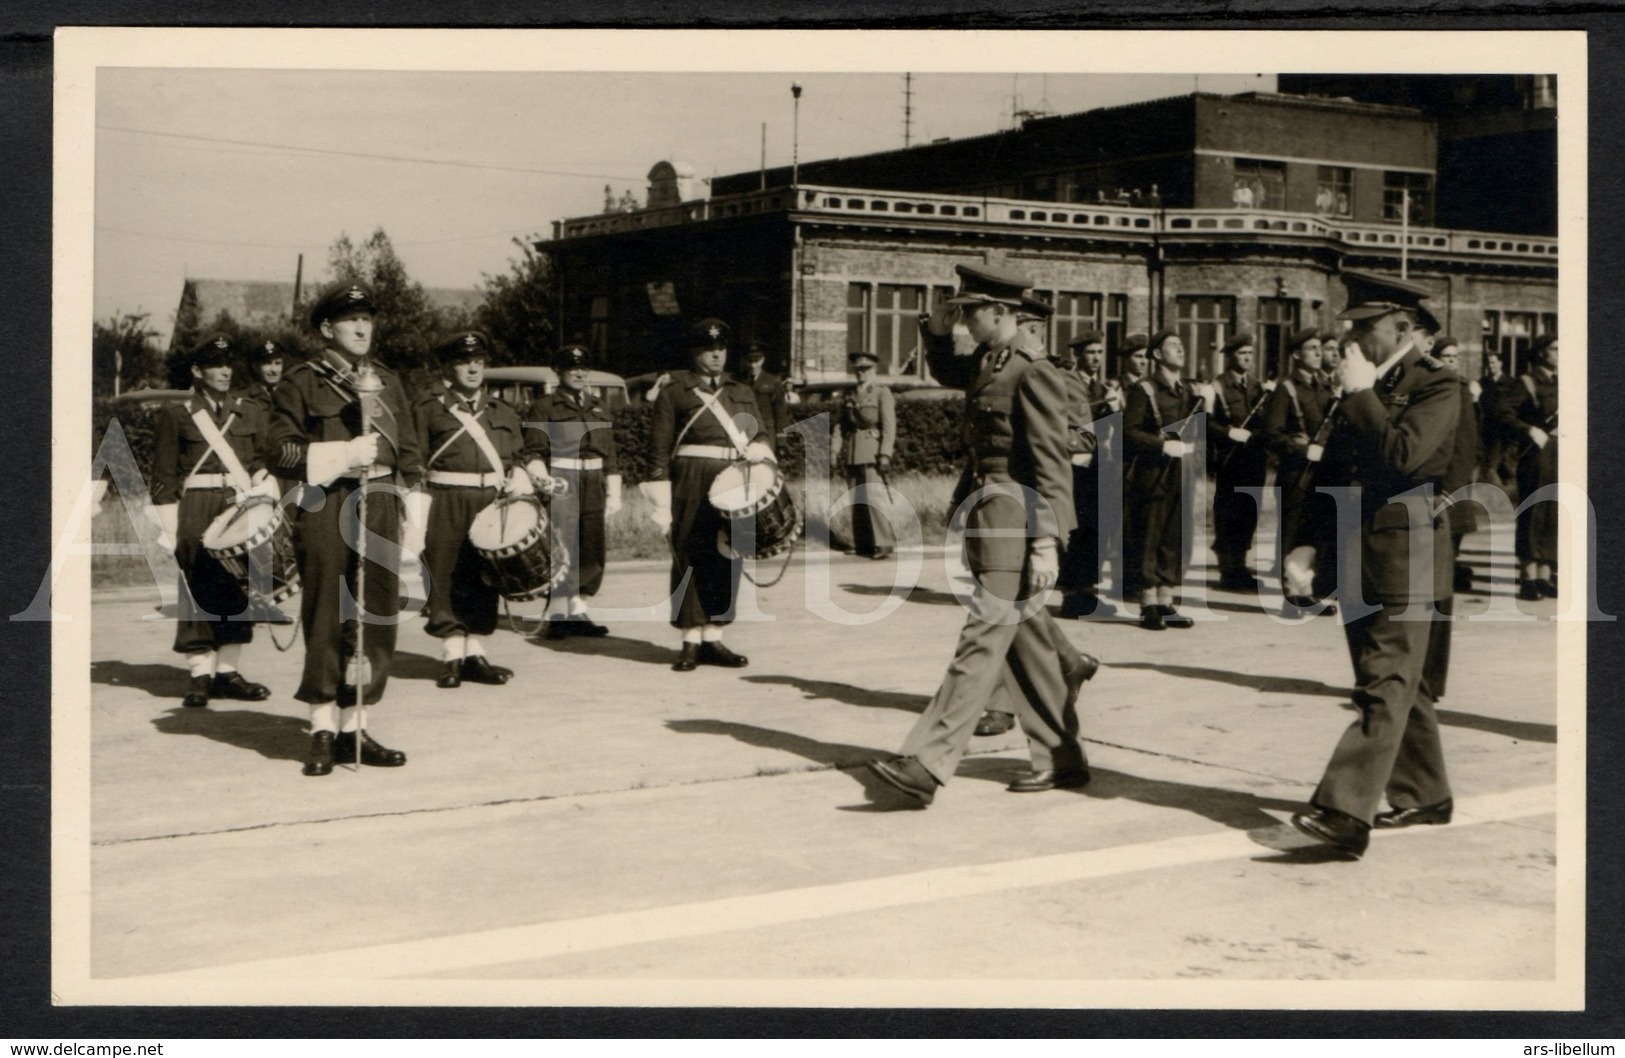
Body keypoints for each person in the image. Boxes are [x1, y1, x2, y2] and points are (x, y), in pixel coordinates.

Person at [867, 264, 1092, 805]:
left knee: (982, 640)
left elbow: (1051, 462)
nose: (965, 320)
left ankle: (927, 761)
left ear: (1002, 312)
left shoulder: (1033, 369)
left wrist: (1045, 540)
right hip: (989, 511)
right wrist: (937, 332)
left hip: (1015, 516)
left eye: (971, 312)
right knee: (1028, 643)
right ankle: (1062, 749)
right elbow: (950, 370)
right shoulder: (993, 360)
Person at [1290, 270, 1461, 859]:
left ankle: (1343, 810)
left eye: (1367, 330)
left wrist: (1361, 394)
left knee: (1383, 681)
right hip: (1356, 551)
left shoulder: (1439, 386)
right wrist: (1306, 542)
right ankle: (1424, 792)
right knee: (1392, 680)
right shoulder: (1360, 384)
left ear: (1403, 328)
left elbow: (1405, 459)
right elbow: (1330, 472)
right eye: (1352, 330)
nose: (1353, 342)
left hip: (1406, 555)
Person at [264, 281, 423, 777]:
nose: (361, 328)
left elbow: (411, 454)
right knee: (327, 612)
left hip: (380, 504)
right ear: (326, 328)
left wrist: (415, 519)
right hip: (326, 504)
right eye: (350, 320)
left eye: (368, 319)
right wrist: (341, 455)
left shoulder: (389, 382)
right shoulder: (302, 381)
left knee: (376, 612)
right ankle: (321, 728)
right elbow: (279, 451)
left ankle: (357, 723)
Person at [151, 333, 279, 709]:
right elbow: (163, 474)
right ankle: (199, 673)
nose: (225, 371)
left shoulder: (248, 409)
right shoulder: (177, 413)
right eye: (215, 366)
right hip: (196, 504)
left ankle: (228, 671)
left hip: (239, 503)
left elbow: (258, 459)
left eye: (228, 365)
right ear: (197, 370)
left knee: (241, 585)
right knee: (197, 586)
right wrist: (168, 525)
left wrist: (262, 480)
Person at [642, 318, 771, 672]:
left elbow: (760, 435)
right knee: (688, 553)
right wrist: (661, 500)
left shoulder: (741, 391)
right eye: (708, 349)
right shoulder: (675, 392)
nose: (716, 355)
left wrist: (761, 450)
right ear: (695, 352)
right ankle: (690, 640)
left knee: (728, 555)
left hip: (734, 481)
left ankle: (714, 637)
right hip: (691, 480)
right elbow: (657, 451)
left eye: (721, 348)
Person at [411, 331, 526, 688]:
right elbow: (411, 457)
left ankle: (475, 653)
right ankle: (451, 655)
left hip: (489, 501)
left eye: (478, 361)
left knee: (484, 575)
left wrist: (521, 473)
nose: (473, 368)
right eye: (464, 361)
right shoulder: (429, 408)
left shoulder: (502, 410)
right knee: (443, 572)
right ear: (449, 366)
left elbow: (518, 455)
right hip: (446, 497)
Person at [523, 344, 623, 636]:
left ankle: (578, 611)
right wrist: (544, 480)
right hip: (562, 480)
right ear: (559, 372)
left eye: (583, 368)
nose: (579, 373)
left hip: (594, 482)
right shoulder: (545, 406)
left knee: (590, 544)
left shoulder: (598, 405)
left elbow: (610, 452)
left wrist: (614, 490)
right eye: (572, 368)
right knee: (560, 544)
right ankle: (556, 612)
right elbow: (533, 451)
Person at [1122, 330, 1211, 630]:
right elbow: (1129, 432)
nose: (1181, 349)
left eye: (1182, 345)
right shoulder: (1144, 389)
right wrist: (1161, 445)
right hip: (1152, 472)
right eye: (1173, 346)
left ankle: (1166, 599)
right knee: (1149, 535)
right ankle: (1148, 604)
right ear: (1157, 354)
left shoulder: (1185, 391)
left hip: (1179, 472)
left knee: (1174, 535)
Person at [1261, 327, 1337, 617]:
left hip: (1321, 474)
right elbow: (1272, 434)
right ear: (1295, 355)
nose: (1319, 353)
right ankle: (1289, 595)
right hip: (1296, 475)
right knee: (1291, 534)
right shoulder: (1286, 389)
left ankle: (1306, 591)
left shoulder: (1324, 388)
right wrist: (1302, 450)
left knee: (1314, 534)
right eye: (1312, 348)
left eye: (1320, 348)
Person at [1057, 329, 1120, 619]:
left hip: (1097, 466)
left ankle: (1088, 592)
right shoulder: (1066, 384)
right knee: (1075, 529)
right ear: (1078, 355)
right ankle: (1072, 594)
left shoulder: (1104, 389)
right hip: (1072, 466)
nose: (1095, 358)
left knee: (1096, 528)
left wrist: (1114, 407)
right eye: (1090, 352)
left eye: (1099, 352)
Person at [1497, 333, 1559, 599]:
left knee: (1554, 513)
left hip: (1559, 451)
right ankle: (1528, 578)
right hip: (1536, 454)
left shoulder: (1563, 381)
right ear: (1541, 353)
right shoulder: (1527, 382)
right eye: (1555, 349)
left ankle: (1545, 575)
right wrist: (1528, 430)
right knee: (1533, 513)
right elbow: (1501, 411)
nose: (1560, 354)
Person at [1208, 333, 1270, 592]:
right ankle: (1227, 570)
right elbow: (1205, 422)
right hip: (1229, 461)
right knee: (1227, 514)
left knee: (1248, 513)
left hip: (1253, 460)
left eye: (1249, 353)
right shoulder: (1216, 387)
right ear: (1230, 356)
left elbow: (1266, 422)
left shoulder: (1257, 387)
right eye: (1242, 353)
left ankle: (1241, 568)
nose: (1247, 358)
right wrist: (1227, 433)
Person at [832, 350, 897, 560]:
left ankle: (883, 542)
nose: (861, 373)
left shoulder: (881, 393)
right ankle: (864, 543)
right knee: (857, 498)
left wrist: (885, 454)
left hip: (872, 451)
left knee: (874, 498)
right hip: (852, 450)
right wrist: (834, 450)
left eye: (865, 369)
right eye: (858, 369)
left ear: (873, 370)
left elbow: (889, 427)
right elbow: (840, 427)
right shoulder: (849, 395)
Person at [1432, 337, 1484, 595]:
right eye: (1447, 356)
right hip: (1438, 468)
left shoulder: (1462, 388)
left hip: (1459, 470)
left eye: (1455, 357)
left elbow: (1469, 436)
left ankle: (1447, 575)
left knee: (1455, 526)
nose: (1453, 361)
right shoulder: (1432, 387)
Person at [740, 339, 791, 449]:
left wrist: (781, 440)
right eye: (750, 361)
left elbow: (780, 413)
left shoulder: (773, 382)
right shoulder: (739, 382)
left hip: (766, 433)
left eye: (756, 360)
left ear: (762, 360)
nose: (753, 365)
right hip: (743, 433)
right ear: (744, 361)